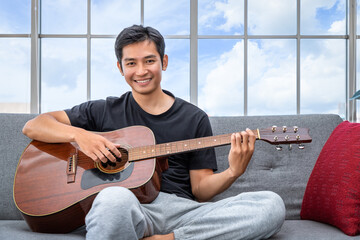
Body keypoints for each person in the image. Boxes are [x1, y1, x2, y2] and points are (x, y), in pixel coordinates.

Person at [22, 25, 285, 240]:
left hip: (181, 213)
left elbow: (201, 190)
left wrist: (233, 172)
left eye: (149, 61)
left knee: (271, 205)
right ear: (120, 68)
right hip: (125, 208)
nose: (141, 71)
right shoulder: (103, 110)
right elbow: (34, 125)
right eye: (131, 63)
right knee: (112, 198)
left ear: (164, 62)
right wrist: (80, 135)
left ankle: (169, 239)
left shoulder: (194, 118)